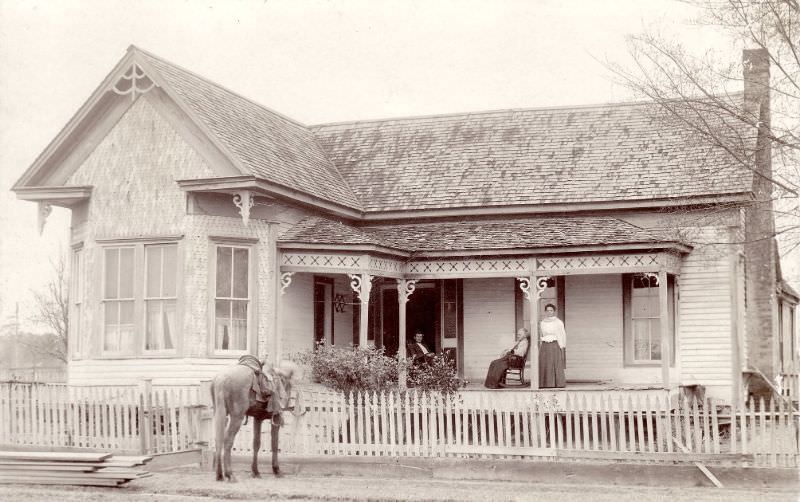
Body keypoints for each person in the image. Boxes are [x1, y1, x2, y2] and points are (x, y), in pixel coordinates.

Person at [539, 303, 566, 388]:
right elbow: (542, 334)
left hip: (554, 344)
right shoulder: (542, 322)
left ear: (554, 311)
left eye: (551, 310)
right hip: (545, 344)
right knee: (545, 363)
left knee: (554, 363)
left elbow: (562, 334)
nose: (549, 312)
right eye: (547, 310)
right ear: (545, 312)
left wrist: (561, 346)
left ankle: (556, 383)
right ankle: (544, 383)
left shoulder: (558, 322)